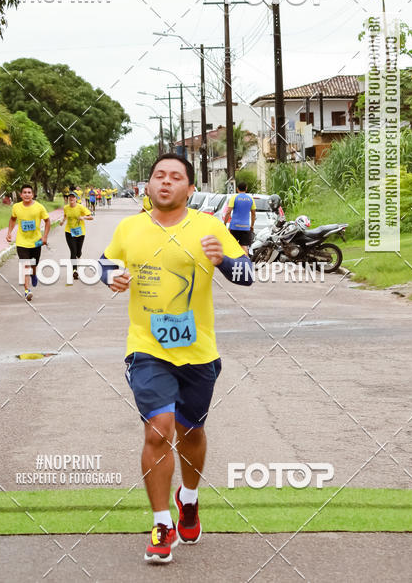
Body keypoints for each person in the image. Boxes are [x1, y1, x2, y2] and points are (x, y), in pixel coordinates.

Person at [100, 153, 253, 564]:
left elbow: (248, 273)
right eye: (158, 176)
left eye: (175, 177)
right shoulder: (129, 228)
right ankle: (162, 522)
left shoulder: (208, 227)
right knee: (158, 431)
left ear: (189, 188)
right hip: (147, 348)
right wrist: (108, 275)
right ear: (147, 186)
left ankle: (189, 497)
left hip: (199, 352)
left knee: (191, 434)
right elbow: (105, 260)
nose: (165, 182)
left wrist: (224, 262)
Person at [6, 184, 50, 301]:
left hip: (36, 241)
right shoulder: (16, 207)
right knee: (25, 264)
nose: (26, 194)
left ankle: (34, 274)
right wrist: (9, 232)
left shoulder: (39, 207)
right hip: (22, 242)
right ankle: (27, 290)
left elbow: (47, 221)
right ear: (21, 195)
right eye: (24, 192)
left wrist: (44, 237)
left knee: (33, 264)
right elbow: (12, 219)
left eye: (29, 192)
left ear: (33, 195)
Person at [61, 191, 93, 280]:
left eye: (73, 197)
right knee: (73, 251)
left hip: (80, 232)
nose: (71, 198)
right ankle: (74, 271)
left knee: (78, 252)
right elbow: (65, 215)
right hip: (69, 232)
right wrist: (62, 221)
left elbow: (91, 217)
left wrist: (84, 217)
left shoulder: (80, 207)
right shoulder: (66, 208)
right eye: (70, 197)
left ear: (76, 199)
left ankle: (79, 255)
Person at [223, 183, 256, 256]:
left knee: (232, 246)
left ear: (237, 189)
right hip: (246, 227)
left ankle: (232, 264)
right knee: (244, 246)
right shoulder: (251, 199)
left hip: (234, 226)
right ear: (246, 188)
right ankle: (245, 263)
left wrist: (224, 223)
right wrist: (252, 225)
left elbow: (228, 212)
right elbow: (253, 214)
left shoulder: (234, 198)